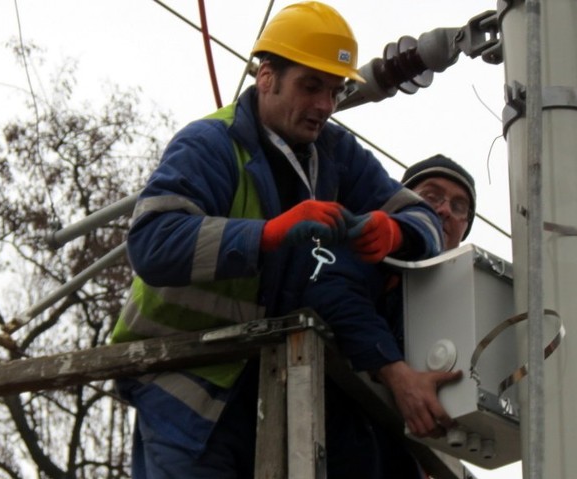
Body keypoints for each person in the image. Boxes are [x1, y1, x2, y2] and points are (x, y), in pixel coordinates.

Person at [109, 2, 443, 477]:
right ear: (266, 77)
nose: (325, 106)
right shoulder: (209, 144)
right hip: (186, 384)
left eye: (334, 90)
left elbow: (423, 217)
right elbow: (151, 242)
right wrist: (264, 235)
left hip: (268, 385)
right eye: (311, 86)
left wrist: (399, 232)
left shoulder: (334, 153)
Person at [301, 154, 477, 477]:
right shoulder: (376, 247)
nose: (444, 211)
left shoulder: (464, 314)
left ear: (464, 228)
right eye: (432, 196)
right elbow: (329, 291)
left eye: (459, 205)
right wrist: (397, 374)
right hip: (332, 434)